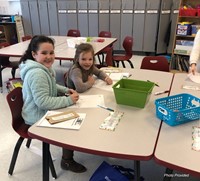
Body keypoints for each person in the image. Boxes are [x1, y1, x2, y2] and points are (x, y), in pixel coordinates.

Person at [19, 35, 86, 173]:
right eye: (44, 53)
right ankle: (67, 161)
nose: (49, 56)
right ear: (34, 54)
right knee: (72, 122)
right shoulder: (37, 73)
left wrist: (66, 90)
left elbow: (52, 85)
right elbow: (43, 102)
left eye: (51, 52)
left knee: (74, 112)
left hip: (40, 111)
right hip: (36, 117)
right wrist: (69, 100)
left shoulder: (43, 68)